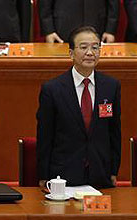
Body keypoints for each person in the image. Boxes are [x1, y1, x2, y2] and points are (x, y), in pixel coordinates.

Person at [36, 26, 121, 189]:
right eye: (83, 47)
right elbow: (45, 137)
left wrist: (113, 171)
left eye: (95, 47)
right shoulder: (52, 89)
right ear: (71, 53)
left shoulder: (111, 86)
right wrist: (43, 176)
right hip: (63, 176)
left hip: (100, 175)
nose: (90, 53)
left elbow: (114, 132)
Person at [39, 0, 119, 43]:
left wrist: (110, 30)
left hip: (97, 26)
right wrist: (49, 30)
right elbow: (45, 3)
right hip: (62, 29)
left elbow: (114, 3)